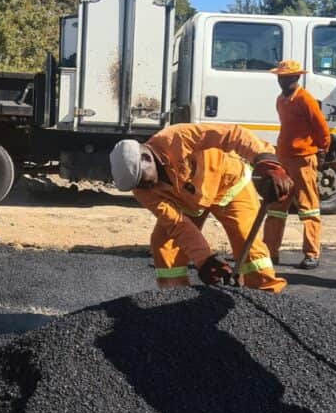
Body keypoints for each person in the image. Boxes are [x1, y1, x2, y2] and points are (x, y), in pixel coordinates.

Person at [109, 123, 292, 292]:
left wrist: (266, 161)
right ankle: (175, 296)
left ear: (146, 158)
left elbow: (233, 134)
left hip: (230, 185)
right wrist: (205, 261)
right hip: (189, 203)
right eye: (139, 186)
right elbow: (177, 224)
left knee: (246, 240)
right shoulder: (141, 190)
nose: (146, 188)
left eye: (145, 181)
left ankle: (266, 292)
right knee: (164, 245)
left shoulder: (177, 138)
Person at [262, 60, 331, 270]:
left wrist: (322, 150)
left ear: (296, 77)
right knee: (276, 207)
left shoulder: (305, 99)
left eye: (286, 77)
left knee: (308, 208)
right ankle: (270, 252)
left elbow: (322, 128)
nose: (281, 81)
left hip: (303, 160)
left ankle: (311, 253)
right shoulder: (281, 100)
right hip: (284, 158)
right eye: (280, 77)